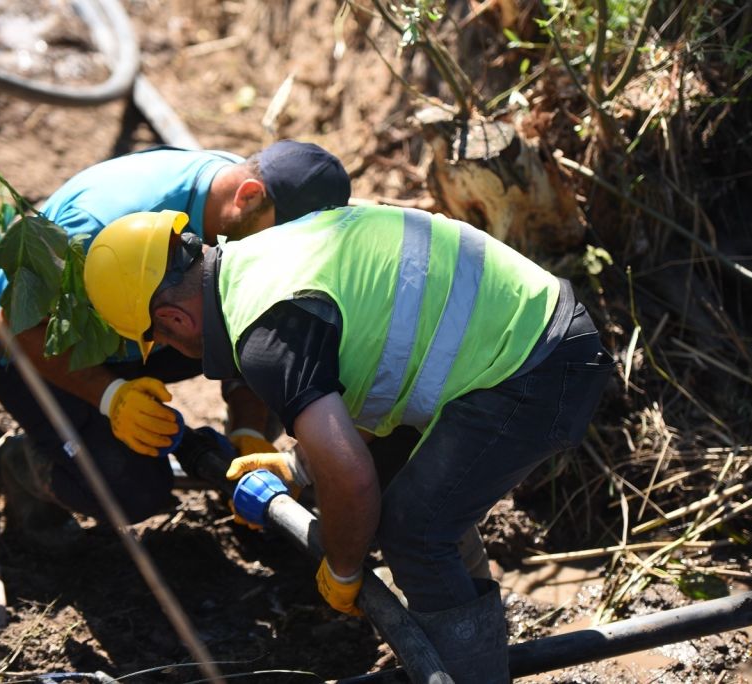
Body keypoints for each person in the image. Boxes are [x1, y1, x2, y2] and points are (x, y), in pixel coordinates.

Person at [82, 206, 614, 683]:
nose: (174, 347)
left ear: (174, 319)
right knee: (409, 500)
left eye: (164, 338)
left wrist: (342, 568)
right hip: (528, 328)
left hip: (537, 367)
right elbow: (361, 376)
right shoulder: (262, 256)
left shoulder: (263, 335)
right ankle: (466, 650)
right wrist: (301, 466)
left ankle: (466, 671)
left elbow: (352, 478)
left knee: (417, 532)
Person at [0, 141, 351, 535]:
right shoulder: (96, 225)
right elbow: (16, 324)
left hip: (135, 330)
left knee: (286, 341)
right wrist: (112, 396)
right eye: (281, 239)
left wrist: (250, 429)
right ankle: (25, 466)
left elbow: (258, 321)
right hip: (32, 347)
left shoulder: (242, 201)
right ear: (248, 197)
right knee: (131, 489)